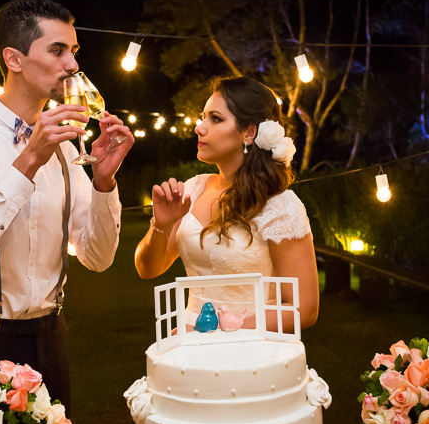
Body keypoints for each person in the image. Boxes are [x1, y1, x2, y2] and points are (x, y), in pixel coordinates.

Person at [0, 0, 134, 424]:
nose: (72, 65)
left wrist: (103, 182)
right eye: (57, 51)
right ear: (14, 59)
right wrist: (29, 161)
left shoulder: (68, 149)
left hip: (50, 337)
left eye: (74, 51)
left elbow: (97, 258)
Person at [134, 76, 318, 331]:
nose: (199, 127)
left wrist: (213, 332)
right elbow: (148, 269)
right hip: (189, 343)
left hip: (248, 345)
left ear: (249, 132)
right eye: (203, 117)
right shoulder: (193, 189)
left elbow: (304, 309)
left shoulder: (279, 206)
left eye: (215, 119)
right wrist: (161, 226)